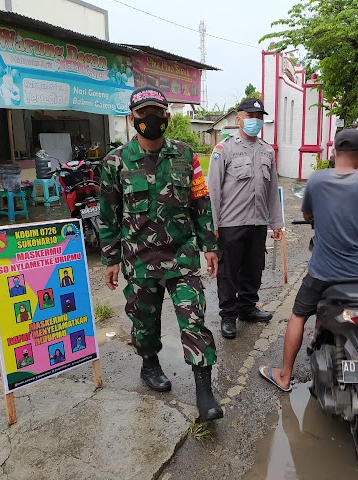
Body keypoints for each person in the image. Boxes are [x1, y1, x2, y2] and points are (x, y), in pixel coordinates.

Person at [100, 86, 223, 421]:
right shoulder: (115, 162)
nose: (150, 120)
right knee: (144, 321)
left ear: (167, 117)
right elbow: (108, 215)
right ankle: (149, 364)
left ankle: (203, 390)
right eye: (143, 114)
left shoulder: (186, 156)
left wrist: (210, 246)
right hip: (138, 260)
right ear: (132, 118)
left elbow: (200, 203)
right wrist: (110, 259)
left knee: (194, 319)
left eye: (156, 113)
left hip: (182, 257)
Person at [258, 128, 358, 391]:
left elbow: (308, 216)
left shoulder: (317, 181)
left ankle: (285, 375)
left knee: (298, 315)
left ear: (333, 152)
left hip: (323, 273)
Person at [207, 98, 284, 340]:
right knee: (229, 272)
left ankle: (247, 308)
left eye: (259, 117)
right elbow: (214, 190)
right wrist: (213, 225)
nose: (256, 121)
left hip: (258, 222)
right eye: (250, 117)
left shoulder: (267, 150)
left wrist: (277, 223)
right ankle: (228, 315)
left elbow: (273, 189)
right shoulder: (224, 149)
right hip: (231, 223)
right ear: (238, 119)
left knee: (254, 268)